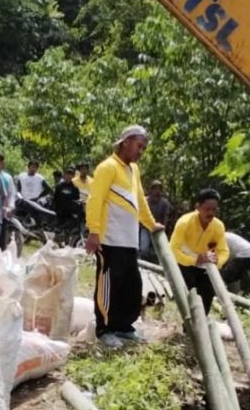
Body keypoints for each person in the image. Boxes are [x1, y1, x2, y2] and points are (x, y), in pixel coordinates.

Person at [85, 124, 163, 348]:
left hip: (129, 241)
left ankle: (124, 326)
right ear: (125, 142)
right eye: (139, 146)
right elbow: (95, 200)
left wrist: (150, 223)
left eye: (144, 148)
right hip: (109, 240)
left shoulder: (133, 170)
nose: (141, 151)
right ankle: (104, 329)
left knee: (131, 286)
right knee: (109, 284)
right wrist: (94, 231)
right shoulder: (107, 167)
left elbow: (139, 199)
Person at [170, 188, 230, 310]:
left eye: (214, 210)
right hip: (184, 261)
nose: (211, 213)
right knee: (189, 292)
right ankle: (188, 324)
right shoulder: (184, 222)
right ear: (198, 207)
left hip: (205, 265)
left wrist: (217, 260)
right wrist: (194, 260)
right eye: (207, 209)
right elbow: (173, 249)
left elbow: (224, 251)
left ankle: (200, 325)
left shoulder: (218, 226)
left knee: (207, 294)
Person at [139, 178, 171, 258]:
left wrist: (163, 230)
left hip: (158, 228)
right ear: (151, 190)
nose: (157, 191)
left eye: (159, 189)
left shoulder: (164, 203)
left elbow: (165, 218)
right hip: (146, 227)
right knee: (144, 248)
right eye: (155, 189)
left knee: (157, 250)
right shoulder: (145, 201)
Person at [0, 151, 17, 248]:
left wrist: (10, 207)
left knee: (0, 242)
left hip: (2, 214)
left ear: (2, 164)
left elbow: (12, 194)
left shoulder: (7, 178)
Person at [52, 165, 82, 240]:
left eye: (71, 174)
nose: (69, 176)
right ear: (64, 174)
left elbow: (76, 201)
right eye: (67, 174)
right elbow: (55, 199)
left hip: (69, 215)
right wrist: (54, 210)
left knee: (68, 234)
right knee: (57, 234)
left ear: (73, 176)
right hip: (59, 214)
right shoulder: (59, 186)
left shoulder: (75, 188)